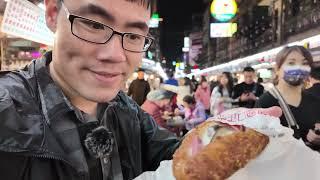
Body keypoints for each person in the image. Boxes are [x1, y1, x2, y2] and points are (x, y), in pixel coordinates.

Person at [0, 0, 181, 179]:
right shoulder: (6, 114)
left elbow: (184, 157)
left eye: (134, 36)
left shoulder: (129, 111)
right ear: (53, 13)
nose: (115, 55)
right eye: (94, 25)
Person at [255, 46, 320, 150]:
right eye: (291, 63)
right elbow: (258, 147)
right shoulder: (265, 104)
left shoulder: (315, 101)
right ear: (277, 69)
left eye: (304, 63)